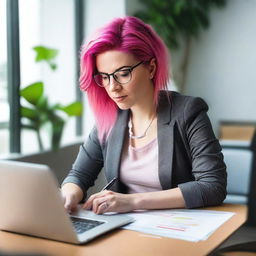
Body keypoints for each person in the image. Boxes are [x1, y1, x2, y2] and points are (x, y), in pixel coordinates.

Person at [61, 16, 227, 215]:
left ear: (151, 68)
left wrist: (132, 201)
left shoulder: (188, 112)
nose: (112, 87)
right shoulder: (110, 119)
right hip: (123, 228)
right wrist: (68, 195)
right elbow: (79, 175)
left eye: (123, 73)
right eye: (104, 77)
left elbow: (212, 186)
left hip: (177, 228)